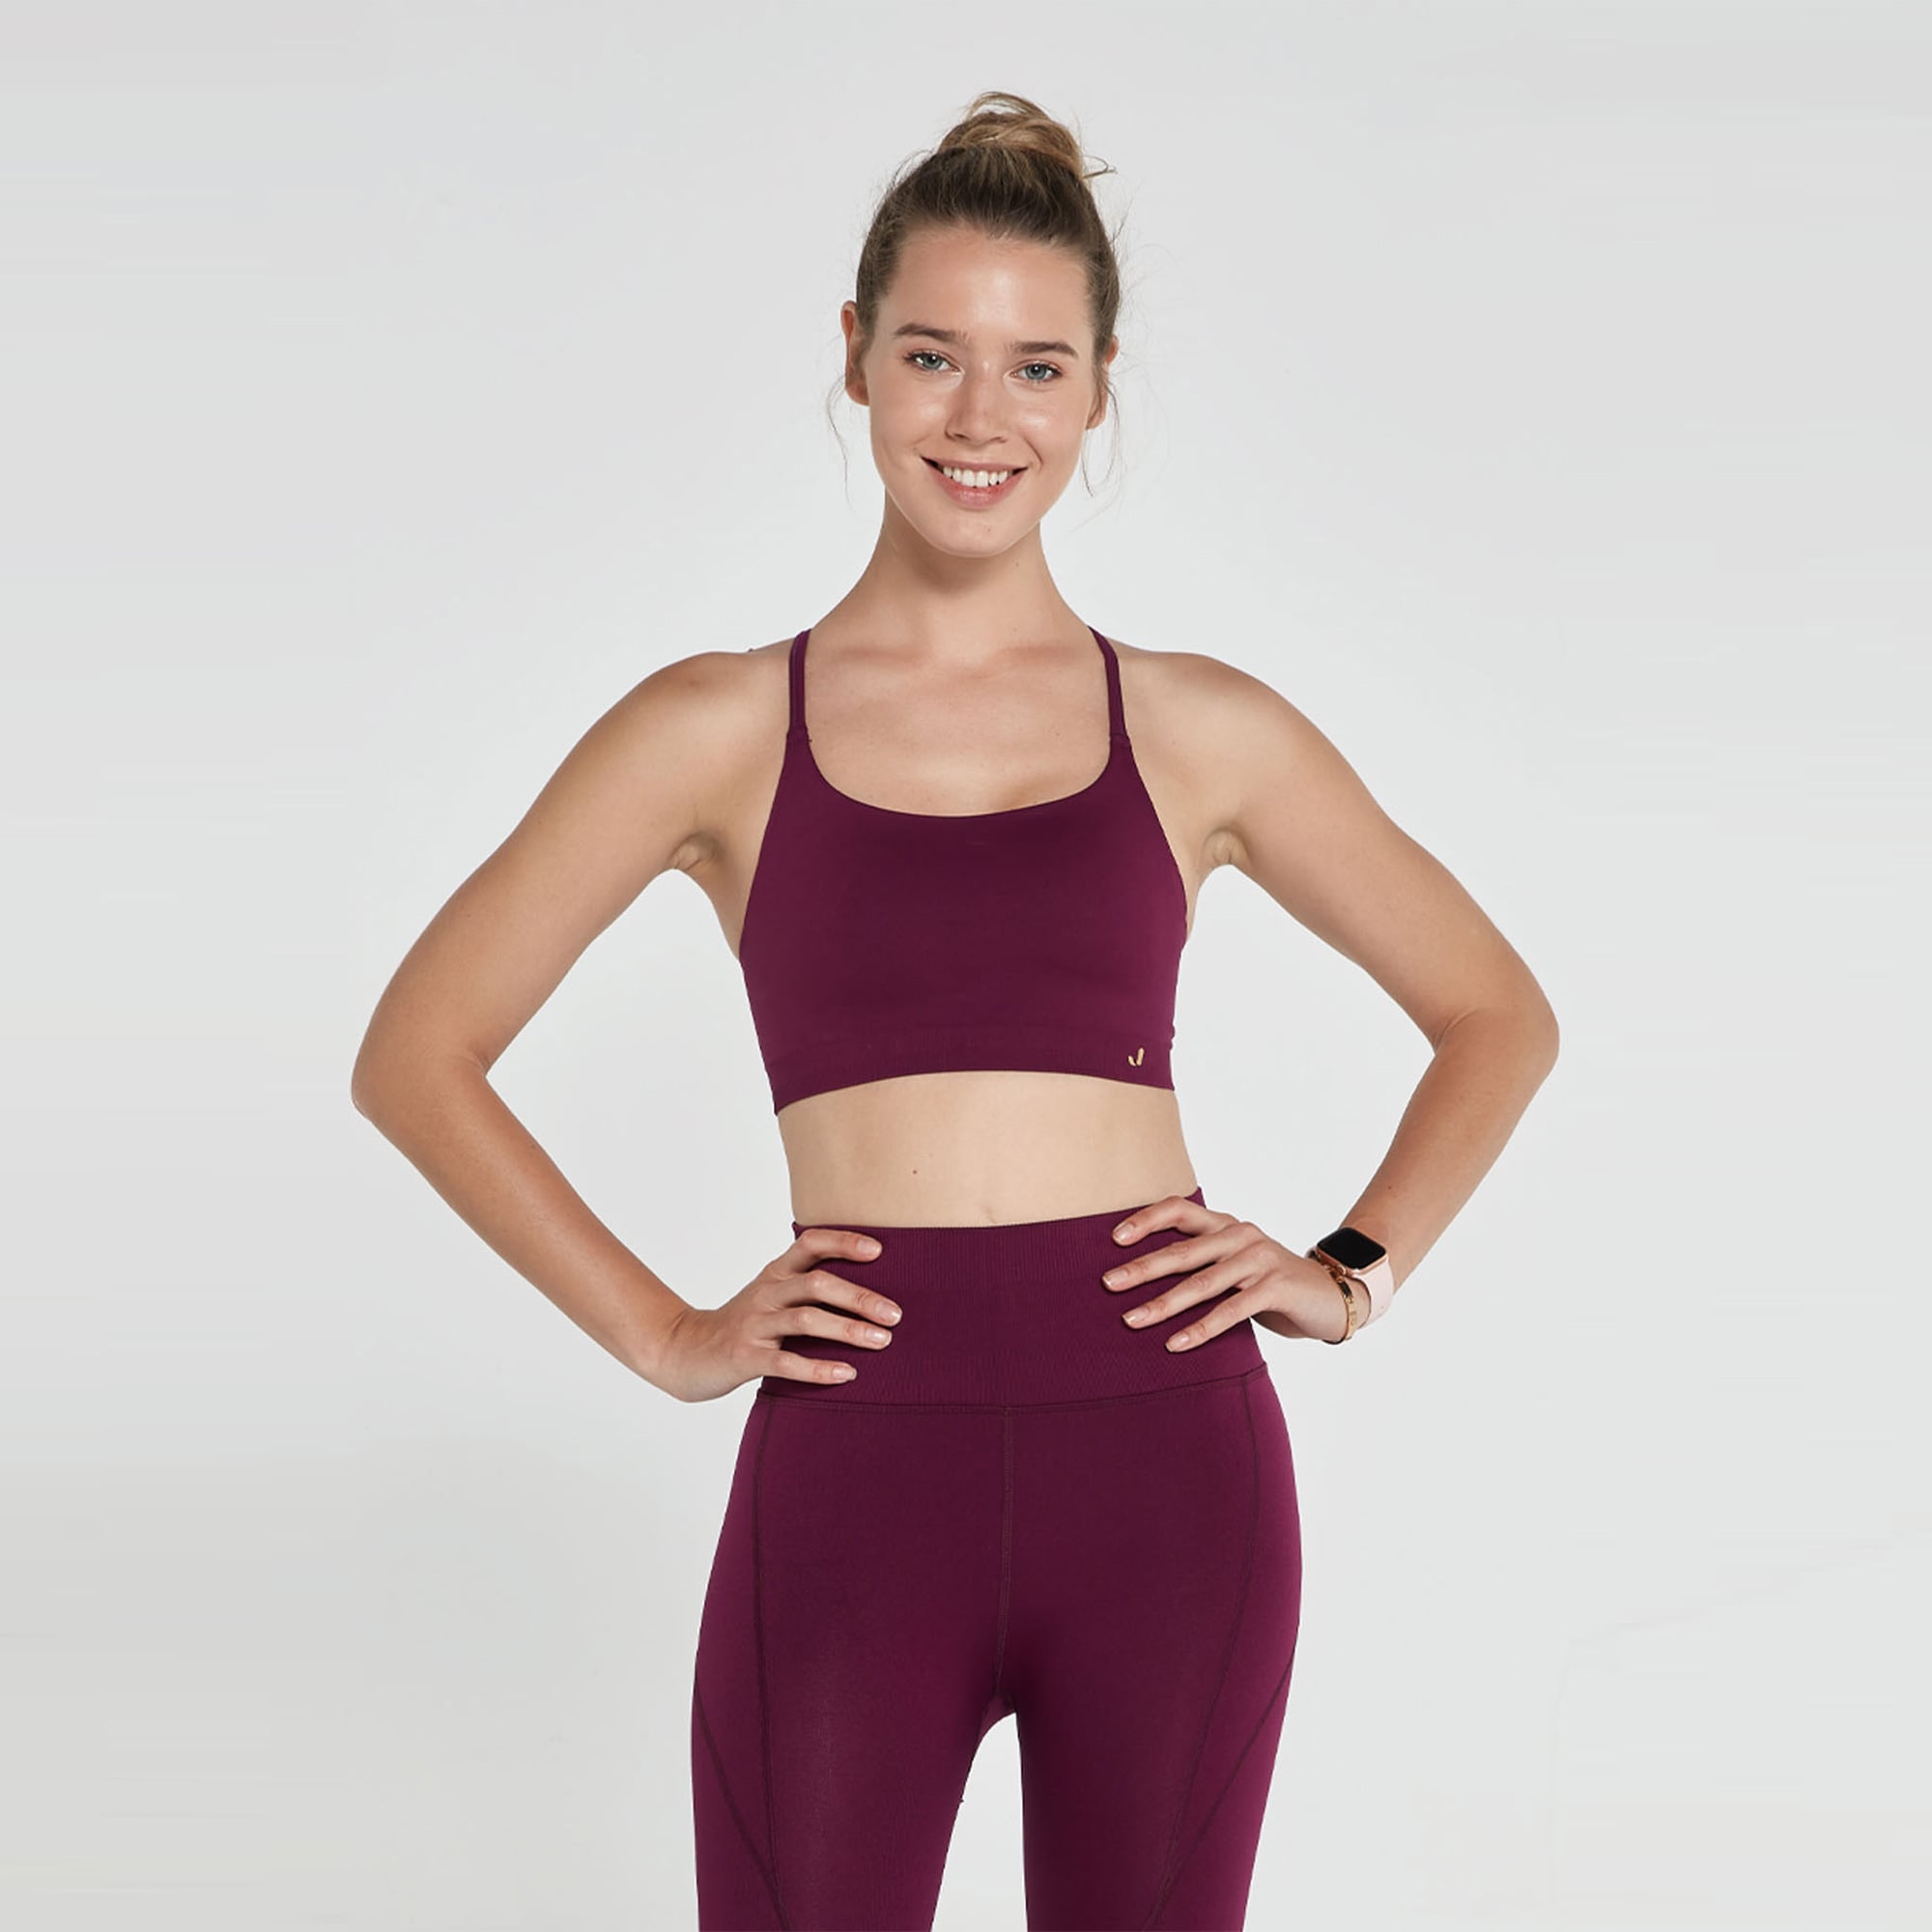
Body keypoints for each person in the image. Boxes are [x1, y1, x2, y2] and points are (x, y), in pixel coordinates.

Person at [351, 89, 1559, 1932]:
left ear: (1098, 391)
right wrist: (666, 1334)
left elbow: (1494, 1011)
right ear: (854, 356)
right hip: (857, 1460)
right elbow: (417, 1056)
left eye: (1036, 367)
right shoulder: (712, 728)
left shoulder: (1199, 725)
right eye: (932, 355)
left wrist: (1350, 1270)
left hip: (1169, 1458)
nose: (982, 419)